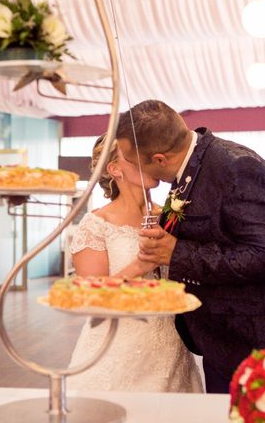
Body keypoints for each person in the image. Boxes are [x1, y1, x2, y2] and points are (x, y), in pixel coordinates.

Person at [115, 100, 265, 393]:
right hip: (223, 340)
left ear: (160, 159)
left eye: (133, 160)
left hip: (264, 343)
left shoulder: (238, 167)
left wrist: (178, 253)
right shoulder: (190, 167)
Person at [66, 134, 203, 393]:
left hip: (172, 346)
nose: (148, 160)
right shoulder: (96, 224)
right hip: (117, 348)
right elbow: (89, 300)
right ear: (114, 169)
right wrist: (138, 266)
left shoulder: (171, 216)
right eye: (135, 158)